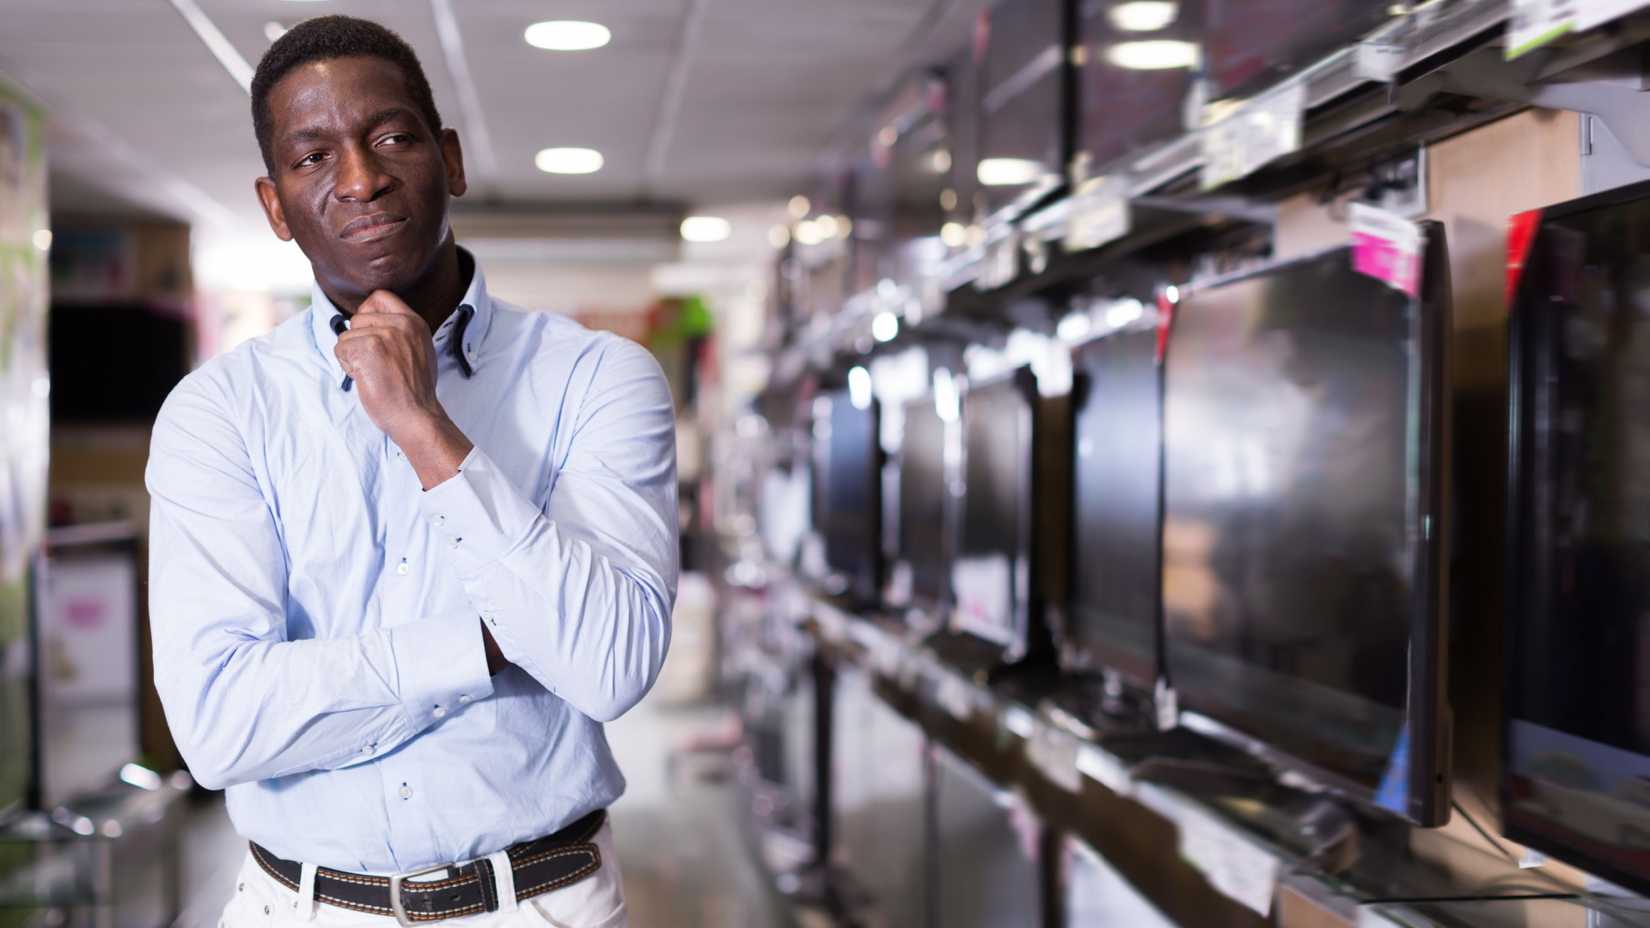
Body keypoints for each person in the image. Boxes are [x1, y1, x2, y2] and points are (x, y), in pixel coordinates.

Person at [145, 15, 677, 926]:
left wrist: (423, 423)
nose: (361, 179)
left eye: (392, 136)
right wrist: (487, 643)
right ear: (275, 207)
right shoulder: (219, 412)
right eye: (313, 157)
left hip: (537, 904)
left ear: (452, 159)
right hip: (302, 908)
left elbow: (610, 661)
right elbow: (218, 726)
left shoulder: (598, 377)